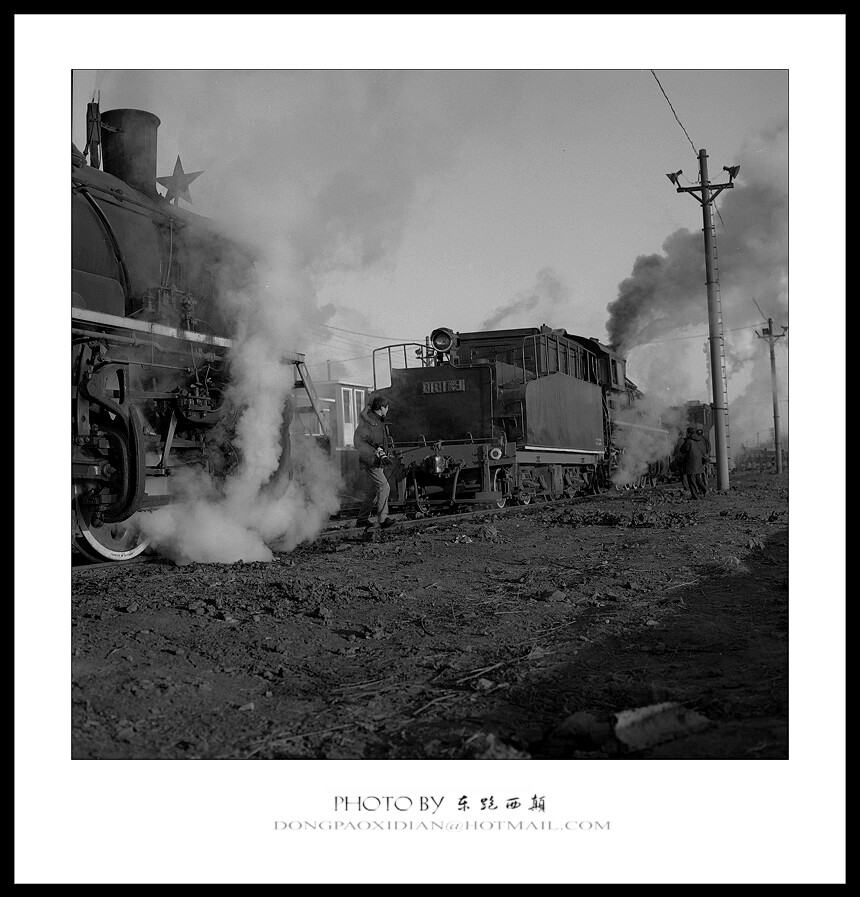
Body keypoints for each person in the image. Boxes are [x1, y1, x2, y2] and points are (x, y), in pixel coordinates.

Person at [353, 396, 396, 529]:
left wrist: (382, 454)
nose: (387, 410)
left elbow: (375, 442)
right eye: (386, 408)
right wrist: (376, 453)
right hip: (371, 461)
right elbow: (359, 441)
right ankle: (383, 519)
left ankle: (362, 519)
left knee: (372, 491)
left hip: (375, 460)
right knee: (384, 486)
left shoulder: (375, 420)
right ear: (381, 408)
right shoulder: (370, 422)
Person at [680, 426, 709, 500]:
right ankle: (705, 489)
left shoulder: (689, 441)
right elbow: (704, 451)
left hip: (691, 463)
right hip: (699, 463)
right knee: (698, 479)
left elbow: (683, 449)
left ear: (688, 433)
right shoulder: (699, 440)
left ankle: (695, 496)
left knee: (691, 480)